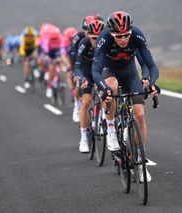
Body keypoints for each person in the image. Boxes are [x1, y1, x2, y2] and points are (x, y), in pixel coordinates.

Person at [92, 11, 159, 182]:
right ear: (112, 33)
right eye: (119, 36)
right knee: (113, 88)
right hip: (109, 71)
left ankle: (139, 160)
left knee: (140, 114)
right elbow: (96, 70)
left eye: (126, 35)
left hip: (129, 74)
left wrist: (151, 82)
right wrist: (104, 88)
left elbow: (150, 65)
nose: (123, 39)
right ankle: (111, 129)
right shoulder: (104, 38)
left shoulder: (137, 35)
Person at [74, 20, 105, 153]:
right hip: (87, 72)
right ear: (88, 36)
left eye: (99, 38)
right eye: (93, 38)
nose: (96, 41)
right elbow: (78, 66)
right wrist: (81, 78)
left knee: (107, 94)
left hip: (101, 72)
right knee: (86, 101)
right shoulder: (84, 44)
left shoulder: (106, 43)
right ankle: (84, 138)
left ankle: (104, 118)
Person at [70, 15, 103, 123]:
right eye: (85, 30)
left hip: (98, 68)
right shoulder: (80, 39)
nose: (86, 33)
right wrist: (75, 73)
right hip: (83, 65)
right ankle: (76, 105)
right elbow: (74, 56)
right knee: (84, 96)